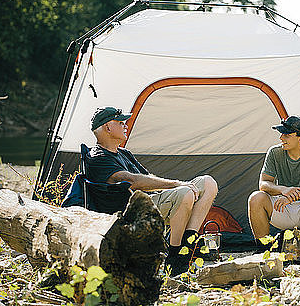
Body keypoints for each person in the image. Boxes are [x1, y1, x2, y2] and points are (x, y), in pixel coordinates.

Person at [87, 107, 218, 275]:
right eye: (121, 122)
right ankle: (175, 256)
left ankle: (186, 246)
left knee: (208, 183)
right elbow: (133, 181)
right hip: (131, 213)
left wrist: (174, 186)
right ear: (108, 127)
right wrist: (175, 184)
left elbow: (147, 177)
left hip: (151, 202)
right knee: (185, 193)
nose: (126, 125)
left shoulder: (124, 153)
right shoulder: (97, 157)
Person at [247, 115, 300, 265]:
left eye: (287, 134)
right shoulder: (274, 152)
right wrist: (283, 190)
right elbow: (263, 183)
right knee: (256, 197)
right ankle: (263, 251)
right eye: (281, 133)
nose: (281, 138)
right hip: (282, 207)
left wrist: (291, 197)